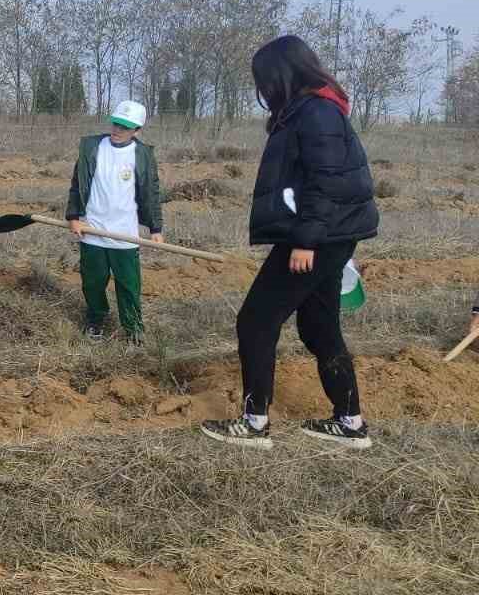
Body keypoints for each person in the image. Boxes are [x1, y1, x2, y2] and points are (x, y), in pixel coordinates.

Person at [201, 35, 379, 451]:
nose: (263, 90)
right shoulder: (312, 108)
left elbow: (324, 181)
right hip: (330, 236)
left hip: (317, 237)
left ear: (283, 75)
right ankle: (350, 422)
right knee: (319, 326)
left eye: (264, 81)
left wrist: (305, 242)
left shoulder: (316, 111)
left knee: (256, 320)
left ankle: (254, 422)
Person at [64, 100, 163, 345]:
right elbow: (77, 185)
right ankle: (97, 319)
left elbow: (151, 192)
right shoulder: (92, 148)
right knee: (93, 282)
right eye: (116, 124)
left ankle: (133, 328)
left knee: (128, 285)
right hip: (92, 229)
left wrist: (156, 228)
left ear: (137, 130)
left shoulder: (142, 155)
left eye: (125, 127)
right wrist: (74, 217)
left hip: (125, 233)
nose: (117, 130)